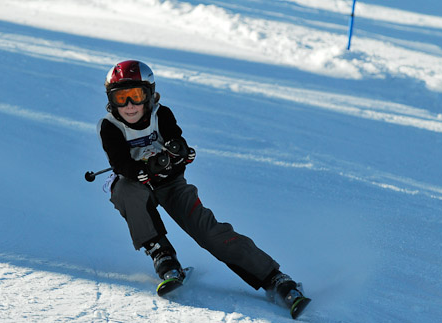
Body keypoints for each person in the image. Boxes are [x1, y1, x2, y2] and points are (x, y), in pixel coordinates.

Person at [96, 60, 306, 309]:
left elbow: (177, 141)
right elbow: (120, 163)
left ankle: (274, 277)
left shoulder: (161, 114)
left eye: (135, 96)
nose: (129, 106)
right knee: (124, 190)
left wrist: (178, 155)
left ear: (150, 94)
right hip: (135, 183)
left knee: (208, 231)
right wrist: (142, 169)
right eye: (121, 98)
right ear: (111, 100)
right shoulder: (110, 126)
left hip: (170, 183)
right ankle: (162, 255)